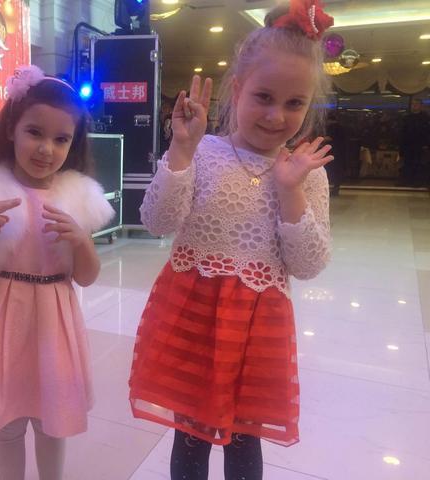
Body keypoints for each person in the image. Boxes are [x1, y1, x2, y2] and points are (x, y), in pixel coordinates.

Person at [128, 1, 334, 479]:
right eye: (263, 96)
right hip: (192, 312)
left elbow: (308, 264)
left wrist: (291, 191)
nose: (276, 115)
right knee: (190, 434)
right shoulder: (203, 152)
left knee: (245, 439)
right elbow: (157, 221)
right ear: (237, 89)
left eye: (294, 103)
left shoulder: (306, 174)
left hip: (258, 324)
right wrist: (181, 150)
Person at [0, 65, 115, 480]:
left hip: (52, 322)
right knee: (8, 421)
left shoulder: (77, 196)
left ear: (74, 143)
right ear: (12, 128)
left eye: (61, 139)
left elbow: (86, 276)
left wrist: (82, 242)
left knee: (52, 421)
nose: (46, 148)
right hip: (3, 320)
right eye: (35, 132)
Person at [399, 98, 430, 187]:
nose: (414, 106)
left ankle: (418, 182)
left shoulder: (425, 118)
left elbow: (427, 132)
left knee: (419, 164)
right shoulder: (406, 118)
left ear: (421, 106)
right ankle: (408, 181)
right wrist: (401, 147)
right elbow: (403, 133)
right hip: (408, 145)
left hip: (420, 146)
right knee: (408, 163)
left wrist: (426, 144)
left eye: (416, 104)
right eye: (413, 104)